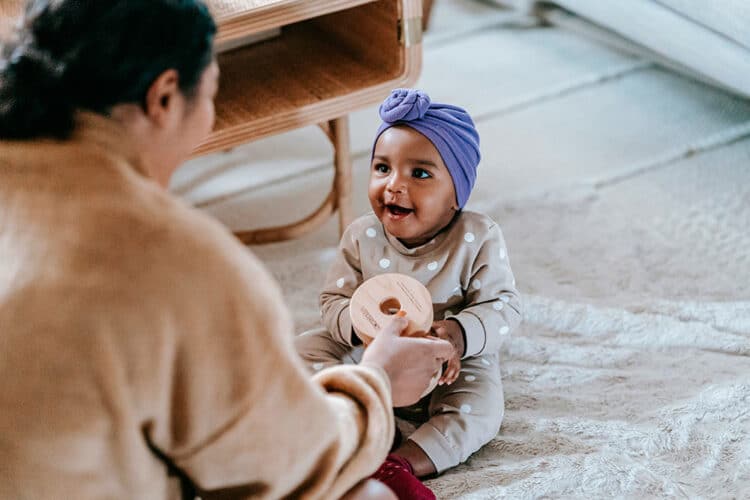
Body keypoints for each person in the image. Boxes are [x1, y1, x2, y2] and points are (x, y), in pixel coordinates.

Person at [0, 2, 454, 499]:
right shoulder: (178, 261)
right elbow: (290, 463)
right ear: (165, 97)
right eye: (212, 94)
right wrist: (377, 382)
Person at [296, 88, 523, 499]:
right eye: (383, 168)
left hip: (447, 365)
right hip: (368, 358)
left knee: (482, 406)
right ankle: (346, 427)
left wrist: (457, 334)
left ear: (457, 194)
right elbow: (333, 300)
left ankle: (399, 461)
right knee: (303, 351)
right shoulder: (363, 235)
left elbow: (504, 306)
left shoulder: (476, 237)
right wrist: (358, 330)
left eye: (419, 174)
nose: (394, 186)